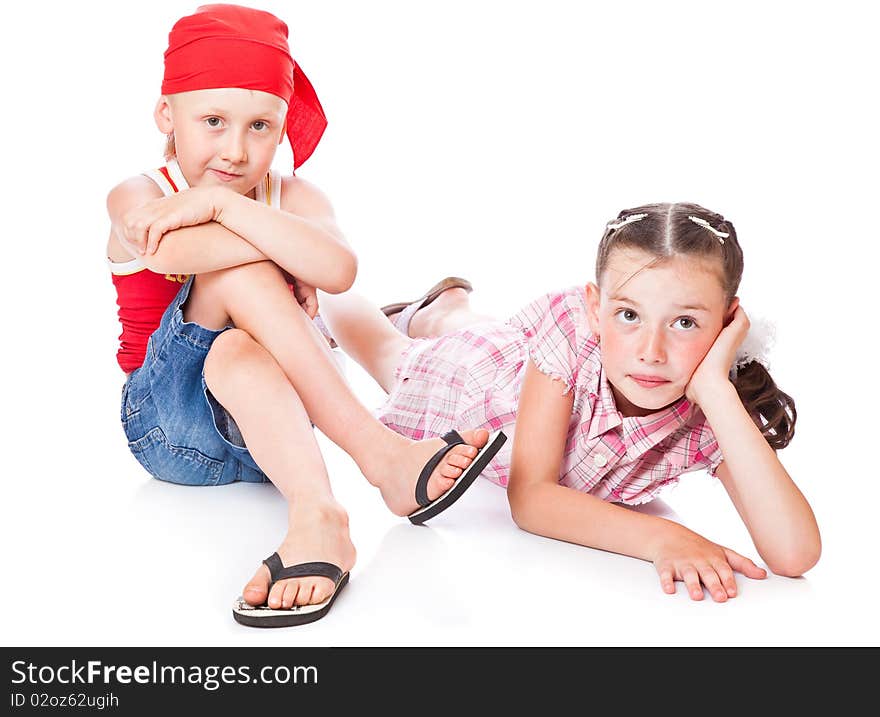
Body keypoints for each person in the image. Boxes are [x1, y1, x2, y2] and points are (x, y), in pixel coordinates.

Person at [106, 4, 505, 628]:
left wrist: (222, 206)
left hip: (278, 430)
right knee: (233, 272)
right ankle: (380, 454)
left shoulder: (295, 196)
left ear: (281, 125)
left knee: (241, 346)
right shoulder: (138, 194)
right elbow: (175, 250)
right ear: (167, 115)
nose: (236, 151)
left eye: (260, 126)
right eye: (213, 121)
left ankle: (320, 517)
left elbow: (339, 270)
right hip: (171, 426)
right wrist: (282, 249)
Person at [317, 202, 821, 602]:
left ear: (730, 322)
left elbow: (794, 554)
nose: (652, 352)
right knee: (390, 354)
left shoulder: (715, 405)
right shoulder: (570, 328)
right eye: (628, 315)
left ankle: (446, 309)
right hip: (476, 389)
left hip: (525, 364)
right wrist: (662, 539)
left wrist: (713, 386)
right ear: (595, 307)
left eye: (685, 323)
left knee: (477, 333)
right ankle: (323, 290)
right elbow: (531, 498)